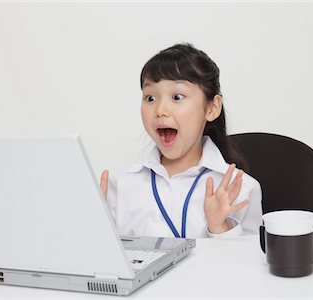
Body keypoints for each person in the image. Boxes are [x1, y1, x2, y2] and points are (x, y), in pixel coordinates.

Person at [100, 43, 262, 238]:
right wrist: (94, 230)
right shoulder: (122, 184)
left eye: (177, 96)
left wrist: (220, 228)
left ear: (211, 108)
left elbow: (248, 264)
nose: (160, 110)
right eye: (150, 98)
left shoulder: (241, 189)